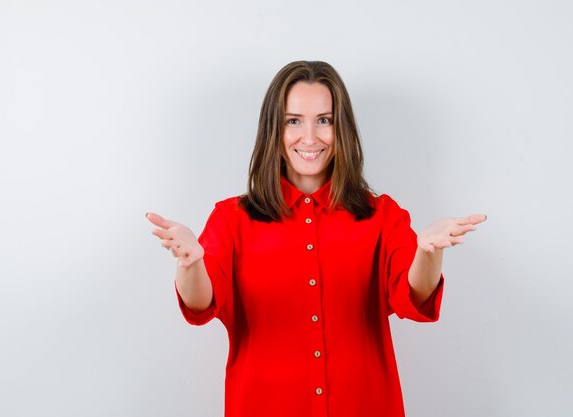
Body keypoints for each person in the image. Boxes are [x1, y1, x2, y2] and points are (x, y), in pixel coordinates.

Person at [146, 61, 486, 417]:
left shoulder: (382, 215)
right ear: (273, 131)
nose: (310, 137)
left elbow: (412, 296)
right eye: (294, 121)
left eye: (324, 120)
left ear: (342, 129)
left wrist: (428, 252)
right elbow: (201, 304)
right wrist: (190, 262)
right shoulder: (231, 219)